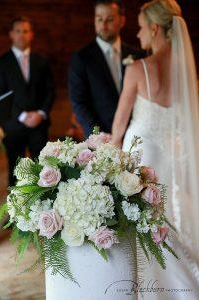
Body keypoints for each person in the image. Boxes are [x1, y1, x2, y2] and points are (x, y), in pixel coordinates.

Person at [111, 0, 199, 299]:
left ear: (154, 28)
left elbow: (118, 127)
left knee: (146, 228)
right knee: (171, 224)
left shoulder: (139, 69)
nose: (137, 35)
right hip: (172, 162)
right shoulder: (187, 76)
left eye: (139, 27)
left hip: (142, 160)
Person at [68, 0, 145, 138]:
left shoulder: (138, 55)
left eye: (109, 19)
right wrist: (98, 135)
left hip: (135, 135)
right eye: (99, 19)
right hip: (100, 140)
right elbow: (79, 103)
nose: (103, 25)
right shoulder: (81, 58)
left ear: (122, 21)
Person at [0, 17, 54, 186]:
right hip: (13, 125)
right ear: (11, 35)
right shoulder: (1, 63)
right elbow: (1, 94)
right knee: (16, 170)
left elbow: (50, 91)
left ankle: (42, 207)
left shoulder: (42, 62)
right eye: (18, 31)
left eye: (25, 31)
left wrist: (41, 113)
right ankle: (15, 209)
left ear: (31, 35)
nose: (21, 35)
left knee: (43, 169)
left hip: (39, 125)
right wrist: (22, 116)